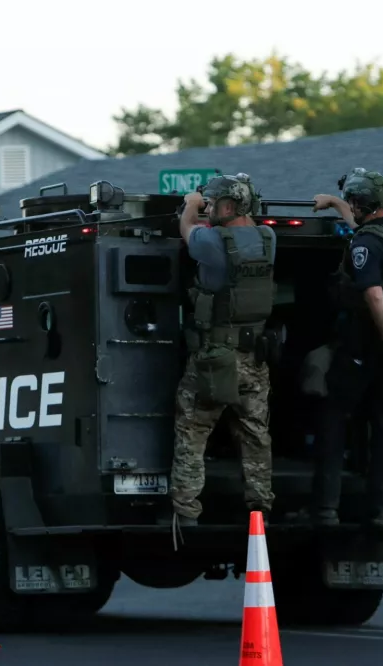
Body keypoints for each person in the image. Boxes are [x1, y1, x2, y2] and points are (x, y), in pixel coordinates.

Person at [308, 168, 383, 527]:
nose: (352, 207)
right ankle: (380, 511)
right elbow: (365, 228)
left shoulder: (365, 245)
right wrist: (333, 203)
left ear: (365, 203)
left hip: (370, 343)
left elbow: (374, 294)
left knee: (333, 415)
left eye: (353, 202)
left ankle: (326, 508)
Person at [160, 173, 278, 530]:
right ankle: (260, 508)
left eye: (213, 203)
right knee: (256, 433)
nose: (207, 207)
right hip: (254, 359)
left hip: (215, 358)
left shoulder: (211, 242)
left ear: (228, 206)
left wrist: (191, 206)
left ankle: (186, 513)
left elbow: (187, 229)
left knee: (192, 429)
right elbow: (247, 224)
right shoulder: (268, 237)